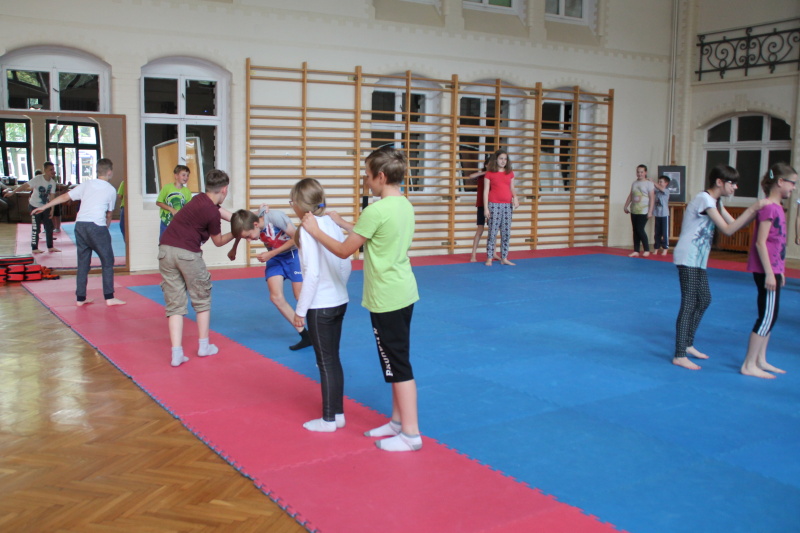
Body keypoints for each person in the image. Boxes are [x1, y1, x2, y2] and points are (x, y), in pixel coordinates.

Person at [301, 146, 422, 452]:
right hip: (404, 290)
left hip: (387, 297)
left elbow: (345, 251)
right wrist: (343, 223)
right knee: (397, 360)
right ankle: (397, 422)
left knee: (397, 364)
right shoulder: (403, 204)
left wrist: (314, 230)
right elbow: (374, 234)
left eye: (367, 175)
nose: (365, 181)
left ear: (380, 176)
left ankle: (411, 434)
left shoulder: (376, 210)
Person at [671, 165, 766, 371]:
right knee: (689, 303)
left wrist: (758, 213)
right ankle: (679, 354)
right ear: (719, 182)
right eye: (732, 183)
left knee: (704, 299)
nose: (735, 187)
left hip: (698, 259)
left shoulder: (716, 202)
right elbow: (728, 230)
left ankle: (687, 343)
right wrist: (752, 209)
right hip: (687, 256)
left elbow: (737, 224)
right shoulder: (704, 199)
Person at [289, 178, 352, 432]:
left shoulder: (308, 229)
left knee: (324, 363)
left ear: (300, 204)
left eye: (292, 201)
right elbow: (346, 263)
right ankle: (337, 414)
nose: (291, 205)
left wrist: (300, 311)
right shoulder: (331, 223)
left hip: (321, 306)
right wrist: (339, 288)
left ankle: (328, 420)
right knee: (333, 359)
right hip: (339, 300)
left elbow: (312, 274)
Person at [158, 169, 235, 367]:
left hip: (165, 250)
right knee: (201, 299)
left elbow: (226, 213)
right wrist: (236, 232)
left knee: (175, 304)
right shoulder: (212, 212)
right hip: (187, 254)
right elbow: (218, 241)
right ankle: (203, 346)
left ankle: (176, 354)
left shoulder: (198, 199)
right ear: (224, 189)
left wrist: (243, 219)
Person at [32, 159, 125, 307]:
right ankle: (109, 297)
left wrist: (44, 207)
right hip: (97, 227)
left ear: (97, 171)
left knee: (83, 263)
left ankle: (80, 298)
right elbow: (109, 214)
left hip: (80, 226)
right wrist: (105, 229)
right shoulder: (110, 190)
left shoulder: (86, 184)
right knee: (107, 262)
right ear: (109, 172)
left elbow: (64, 197)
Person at [228, 206, 313, 351]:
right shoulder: (250, 220)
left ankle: (319, 328)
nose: (249, 241)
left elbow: (297, 238)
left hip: (293, 255)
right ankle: (306, 336)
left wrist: (272, 254)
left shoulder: (274, 217)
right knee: (276, 297)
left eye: (248, 236)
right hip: (275, 258)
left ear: (256, 225)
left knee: (299, 296)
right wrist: (234, 248)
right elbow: (240, 229)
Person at [740, 163, 796, 379]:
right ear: (780, 182)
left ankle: (760, 359)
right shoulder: (769, 208)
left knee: (770, 316)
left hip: (773, 269)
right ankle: (749, 364)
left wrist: (780, 270)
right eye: (792, 183)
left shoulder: (777, 207)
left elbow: (777, 244)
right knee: (766, 317)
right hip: (766, 271)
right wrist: (771, 273)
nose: (793, 188)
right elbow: (760, 243)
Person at [14, 162, 60, 254]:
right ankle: (34, 248)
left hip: (45, 207)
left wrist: (52, 209)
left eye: (53, 169)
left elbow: (52, 197)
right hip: (34, 206)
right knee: (36, 228)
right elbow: (24, 186)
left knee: (49, 227)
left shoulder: (52, 182)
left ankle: (50, 247)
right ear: (45, 170)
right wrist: (12, 192)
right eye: (50, 170)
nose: (53, 171)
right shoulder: (38, 179)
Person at [483, 149, 519, 266]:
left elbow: (512, 188)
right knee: (492, 232)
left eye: (505, 159)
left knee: (506, 232)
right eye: (501, 158)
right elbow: (485, 191)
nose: (503, 161)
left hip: (507, 205)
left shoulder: (510, 173)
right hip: (494, 204)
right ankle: (489, 257)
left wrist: (515, 197)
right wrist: (486, 208)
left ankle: (504, 257)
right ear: (496, 160)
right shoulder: (489, 173)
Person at [468, 157, 500, 263]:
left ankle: (494, 253)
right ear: (486, 165)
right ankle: (473, 255)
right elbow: (471, 176)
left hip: (493, 205)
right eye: (490, 165)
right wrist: (485, 172)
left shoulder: (494, 176)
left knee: (493, 230)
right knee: (480, 229)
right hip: (482, 205)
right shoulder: (482, 175)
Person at [623, 164, 655, 257]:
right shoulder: (634, 183)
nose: (639, 174)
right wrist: (626, 206)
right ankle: (636, 250)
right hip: (634, 209)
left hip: (644, 210)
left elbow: (652, 198)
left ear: (645, 172)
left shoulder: (649, 184)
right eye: (638, 172)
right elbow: (631, 195)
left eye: (641, 172)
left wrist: (650, 211)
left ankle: (647, 249)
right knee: (635, 230)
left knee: (640, 229)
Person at [156, 165, 193, 237]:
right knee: (164, 241)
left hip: (180, 223)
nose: (186, 177)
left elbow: (188, 208)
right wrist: (171, 209)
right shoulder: (167, 187)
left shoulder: (187, 191)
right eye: (183, 175)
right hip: (166, 222)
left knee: (178, 241)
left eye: (187, 175)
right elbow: (158, 202)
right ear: (176, 176)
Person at [653, 175, 671, 255]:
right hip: (657, 215)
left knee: (664, 232)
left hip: (664, 215)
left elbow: (660, 188)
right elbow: (651, 190)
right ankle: (656, 247)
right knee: (657, 233)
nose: (659, 183)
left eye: (661, 182)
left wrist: (653, 181)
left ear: (666, 183)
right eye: (659, 181)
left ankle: (665, 248)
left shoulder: (666, 191)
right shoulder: (657, 191)